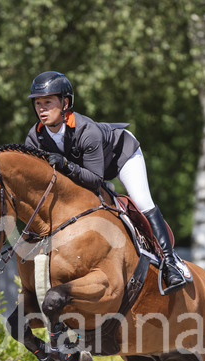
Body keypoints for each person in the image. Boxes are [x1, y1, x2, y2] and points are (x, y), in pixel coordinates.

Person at [24, 71, 190, 294]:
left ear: (65, 103)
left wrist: (66, 165)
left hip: (121, 156)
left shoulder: (86, 130)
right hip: (87, 169)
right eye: (37, 103)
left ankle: (171, 263)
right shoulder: (35, 138)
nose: (41, 108)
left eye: (47, 102)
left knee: (141, 200)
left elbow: (95, 180)